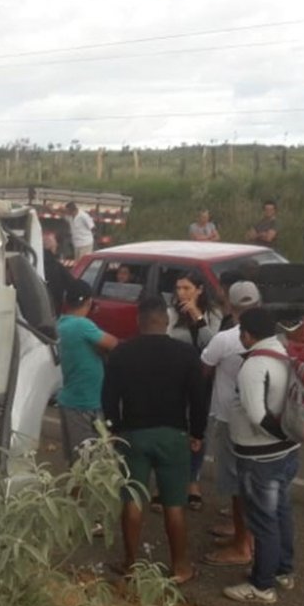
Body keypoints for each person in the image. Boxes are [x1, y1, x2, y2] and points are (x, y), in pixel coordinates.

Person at [103, 296, 207, 585]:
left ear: (139, 320)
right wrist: (197, 433)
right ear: (167, 320)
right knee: (175, 504)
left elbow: (109, 395)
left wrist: (113, 428)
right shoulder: (186, 353)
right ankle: (180, 566)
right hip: (173, 435)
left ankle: (130, 563)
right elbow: (198, 398)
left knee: (133, 501)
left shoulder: (122, 352)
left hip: (133, 434)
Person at [222, 308, 300, 605]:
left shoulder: (254, 366)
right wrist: (289, 437)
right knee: (281, 512)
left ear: (247, 335)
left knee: (262, 520)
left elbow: (257, 416)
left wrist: (279, 435)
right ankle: (282, 570)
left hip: (261, 458)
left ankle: (261, 586)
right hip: (288, 453)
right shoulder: (285, 352)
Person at [200, 281, 262, 567]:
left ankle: (242, 545)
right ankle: (244, 533)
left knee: (238, 485)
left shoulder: (225, 339)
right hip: (262, 421)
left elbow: (204, 370)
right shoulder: (272, 337)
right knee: (253, 482)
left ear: (230, 306)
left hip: (229, 419)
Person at [165, 271, 221, 509]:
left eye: (187, 288)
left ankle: (193, 480)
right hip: (175, 377)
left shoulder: (213, 314)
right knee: (173, 427)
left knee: (198, 429)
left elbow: (213, 344)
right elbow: (166, 341)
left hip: (202, 379)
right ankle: (167, 480)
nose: (181, 293)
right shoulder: (171, 313)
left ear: (199, 290)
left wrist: (198, 317)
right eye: (178, 288)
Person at [56, 280, 118, 460]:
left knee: (76, 458)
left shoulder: (61, 324)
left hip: (71, 398)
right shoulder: (82, 325)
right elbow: (113, 343)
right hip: (83, 402)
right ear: (89, 302)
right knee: (86, 460)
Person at [41, 230, 72, 317]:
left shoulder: (32, 261)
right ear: (54, 246)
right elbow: (72, 284)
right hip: (53, 309)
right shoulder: (56, 266)